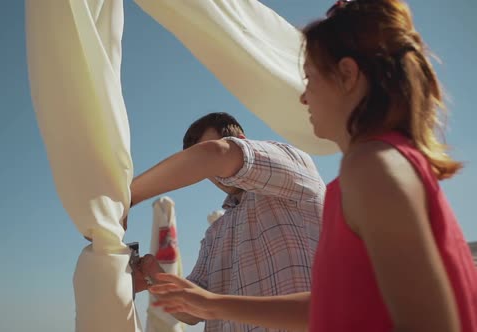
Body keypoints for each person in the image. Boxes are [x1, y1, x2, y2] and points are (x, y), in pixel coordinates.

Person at [147, 1, 477, 331]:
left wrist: (128, 194)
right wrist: (193, 296)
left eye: (310, 78)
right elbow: (328, 307)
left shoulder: (369, 166)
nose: (304, 97)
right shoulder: (369, 170)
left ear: (347, 75)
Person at [130, 112, 326, 331]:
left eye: (203, 164)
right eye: (204, 171)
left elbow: (214, 154)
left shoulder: (294, 166)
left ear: (241, 141)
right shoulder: (215, 232)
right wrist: (150, 273)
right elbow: (190, 312)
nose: (210, 173)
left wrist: (125, 198)